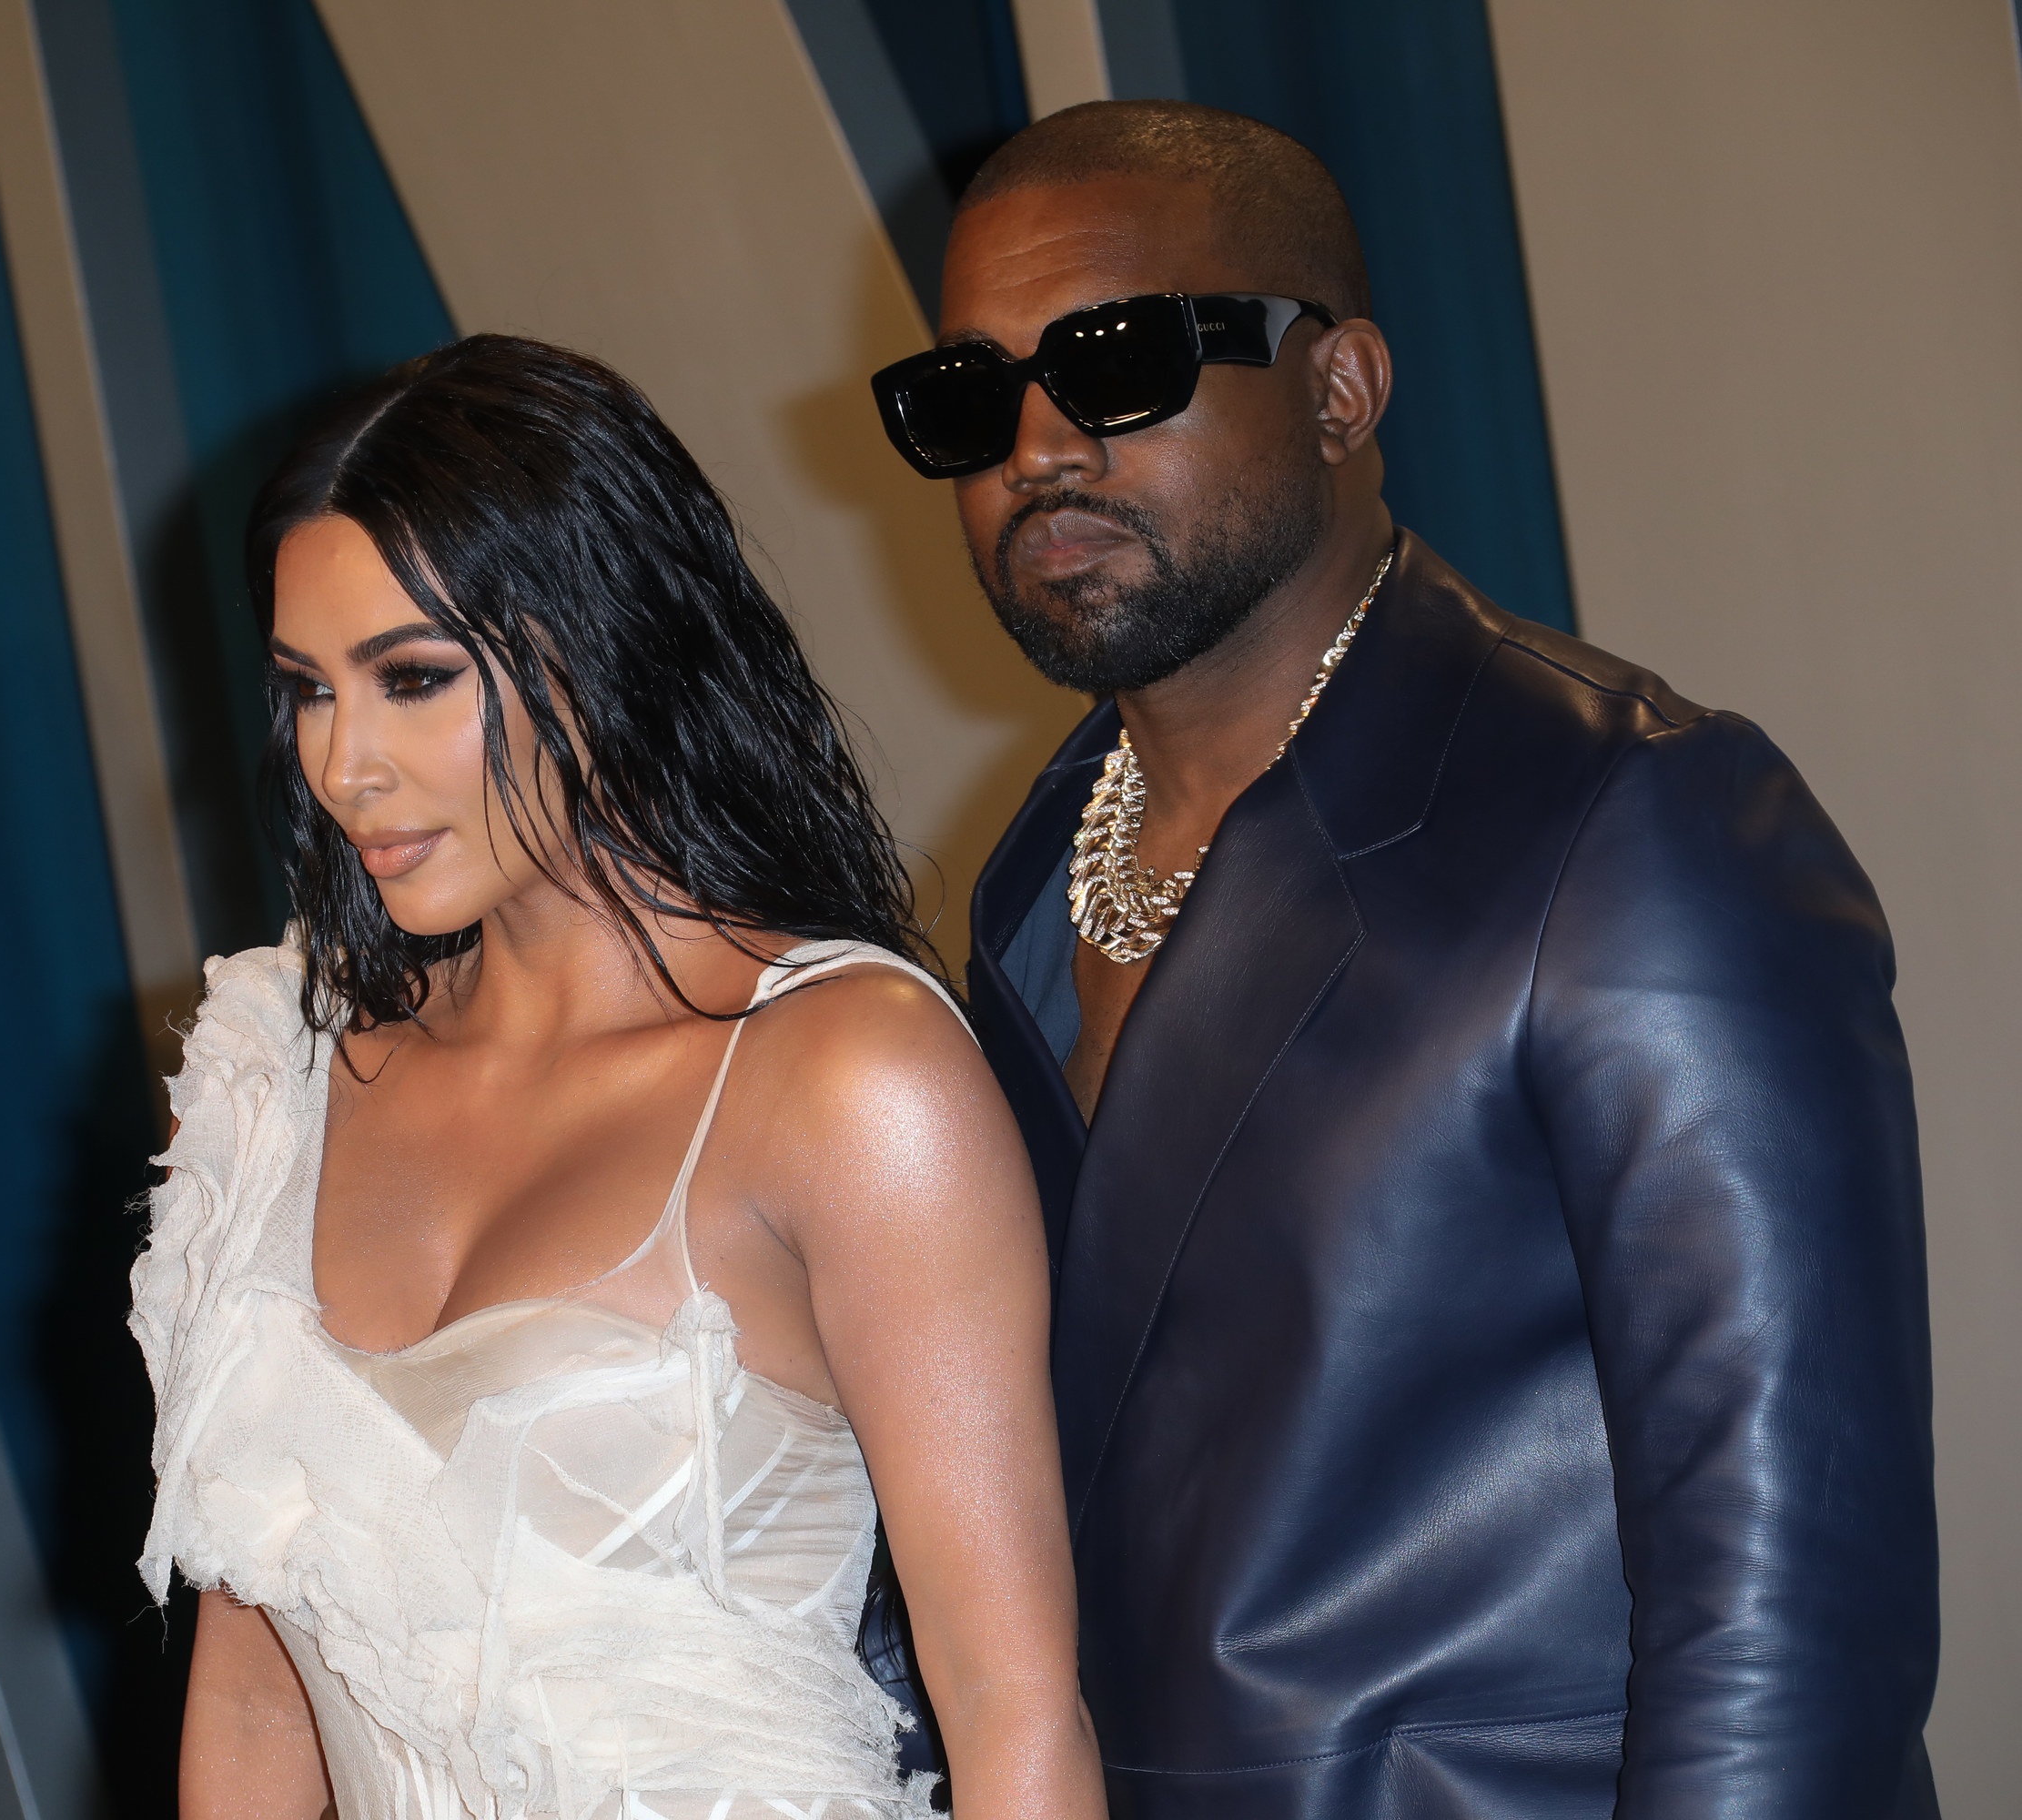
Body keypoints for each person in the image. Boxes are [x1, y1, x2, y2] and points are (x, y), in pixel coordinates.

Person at [867, 100, 1939, 1814]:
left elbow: (1797, 1613)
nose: (1037, 446)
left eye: (1118, 358)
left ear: (1342, 389)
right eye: (966, 396)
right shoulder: (1019, 886)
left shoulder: (1630, 821)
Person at [131, 335, 1104, 1820]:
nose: (345, 768)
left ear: (602, 644)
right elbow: (255, 1700)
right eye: (309, 692)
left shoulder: (843, 1076)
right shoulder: (278, 1082)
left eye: (410, 679)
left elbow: (1015, 1717)